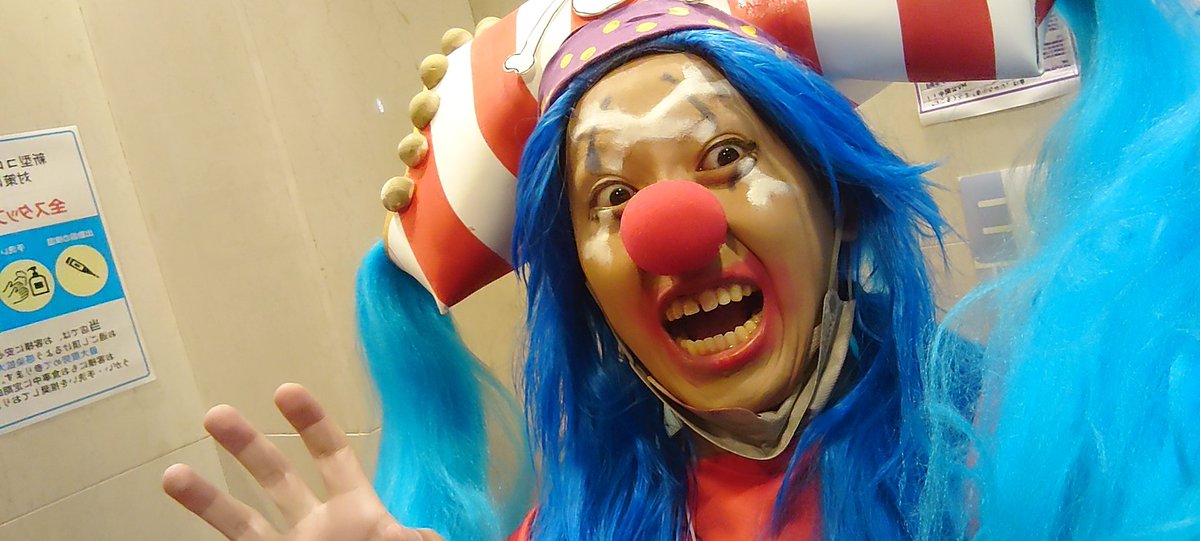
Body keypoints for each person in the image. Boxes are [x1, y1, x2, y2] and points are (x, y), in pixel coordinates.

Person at [162, 0, 1200, 540]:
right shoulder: (572, 527)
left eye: (726, 156)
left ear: (839, 205)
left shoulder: (1025, 455)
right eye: (612, 199)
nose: (673, 227)